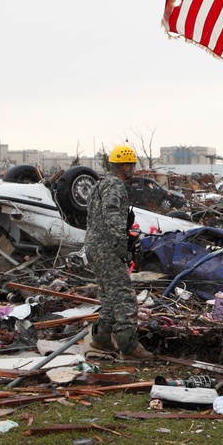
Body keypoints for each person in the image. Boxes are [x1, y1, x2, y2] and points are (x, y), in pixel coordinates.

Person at [85, 145, 153, 362]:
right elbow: (112, 215)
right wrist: (121, 243)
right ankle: (128, 346)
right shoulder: (114, 186)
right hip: (107, 247)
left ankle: (102, 338)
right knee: (124, 297)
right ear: (125, 166)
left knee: (108, 294)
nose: (133, 169)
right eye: (131, 165)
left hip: (94, 246)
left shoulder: (99, 185)